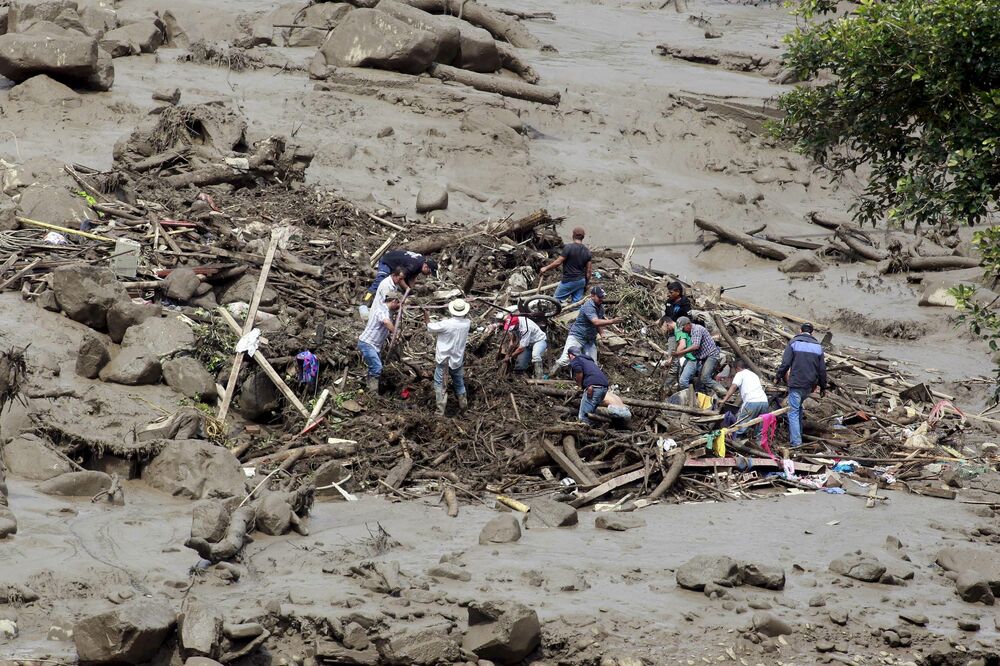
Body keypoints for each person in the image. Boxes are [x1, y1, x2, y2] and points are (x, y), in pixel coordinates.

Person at [775, 323, 828, 447]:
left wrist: (778, 376)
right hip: (809, 385)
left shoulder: (794, 343)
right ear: (812, 333)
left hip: (796, 382)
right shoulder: (818, 347)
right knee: (798, 408)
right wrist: (823, 387)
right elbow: (822, 370)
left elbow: (785, 363)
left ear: (800, 330)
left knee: (792, 411)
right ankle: (798, 435)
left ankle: (796, 443)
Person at [551, 286, 623, 376]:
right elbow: (596, 322)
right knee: (565, 360)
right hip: (577, 336)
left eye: (602, 297)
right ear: (592, 296)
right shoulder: (588, 306)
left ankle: (588, 380)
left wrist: (602, 333)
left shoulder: (600, 307)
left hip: (590, 339)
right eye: (599, 297)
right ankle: (551, 375)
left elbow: (599, 322)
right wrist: (612, 321)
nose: (601, 299)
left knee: (592, 365)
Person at [425, 299, 471, 415]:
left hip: (444, 360)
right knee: (459, 383)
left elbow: (429, 327)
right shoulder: (467, 323)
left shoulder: (446, 324)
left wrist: (426, 315)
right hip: (457, 359)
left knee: (440, 385)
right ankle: (464, 408)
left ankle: (440, 412)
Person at [358, 289, 403, 393]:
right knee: (377, 367)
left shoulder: (387, 311)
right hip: (368, 343)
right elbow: (386, 322)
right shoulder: (381, 310)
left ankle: (368, 388)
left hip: (374, 345)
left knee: (373, 368)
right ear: (394, 301)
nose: (399, 306)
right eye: (398, 303)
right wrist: (395, 332)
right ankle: (373, 393)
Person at [719, 358, 769, 439]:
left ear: (737, 368)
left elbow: (733, 387)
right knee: (759, 428)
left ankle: (736, 442)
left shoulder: (740, 374)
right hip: (764, 402)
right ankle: (758, 443)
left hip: (752, 402)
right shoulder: (753, 375)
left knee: (740, 427)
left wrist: (724, 400)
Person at [540, 227, 592, 303]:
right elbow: (589, 272)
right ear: (583, 237)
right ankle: (575, 311)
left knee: (555, 301)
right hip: (581, 281)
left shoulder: (568, 247)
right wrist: (585, 284)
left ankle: (553, 309)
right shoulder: (587, 252)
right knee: (576, 304)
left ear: (573, 235)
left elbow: (558, 262)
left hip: (569, 280)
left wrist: (546, 268)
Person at [673, 316, 722, 395]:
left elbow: (696, 346)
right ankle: (695, 396)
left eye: (683, 328)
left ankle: (723, 392)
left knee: (705, 378)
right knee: (697, 382)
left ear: (688, 324)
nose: (682, 331)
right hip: (701, 358)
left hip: (711, 355)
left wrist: (680, 353)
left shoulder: (696, 330)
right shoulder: (690, 333)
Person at [365, 249, 437, 299]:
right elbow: (400, 277)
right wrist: (407, 289)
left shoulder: (421, 263)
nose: (428, 274)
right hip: (387, 261)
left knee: (402, 285)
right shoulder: (414, 265)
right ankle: (367, 298)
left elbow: (412, 277)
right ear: (426, 267)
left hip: (399, 266)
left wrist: (411, 290)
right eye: (429, 272)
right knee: (380, 280)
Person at [567, 347, 609, 426]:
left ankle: (584, 431)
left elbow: (579, 372)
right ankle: (594, 429)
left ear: (570, 355)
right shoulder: (589, 361)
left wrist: (579, 386)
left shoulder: (576, 360)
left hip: (593, 387)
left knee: (583, 417)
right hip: (604, 388)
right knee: (591, 413)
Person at [502, 314, 548, 379]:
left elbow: (521, 348)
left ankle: (539, 377)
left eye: (513, 327)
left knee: (536, 355)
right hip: (528, 344)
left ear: (517, 324)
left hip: (539, 341)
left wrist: (510, 356)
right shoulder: (515, 320)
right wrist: (511, 343)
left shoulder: (526, 328)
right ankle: (518, 376)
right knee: (520, 365)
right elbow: (513, 335)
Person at [660, 316, 696, 387]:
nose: (667, 332)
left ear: (666, 324)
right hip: (691, 356)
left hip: (691, 358)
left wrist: (672, 358)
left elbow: (683, 345)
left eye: (665, 329)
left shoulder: (678, 330)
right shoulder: (678, 328)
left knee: (683, 381)